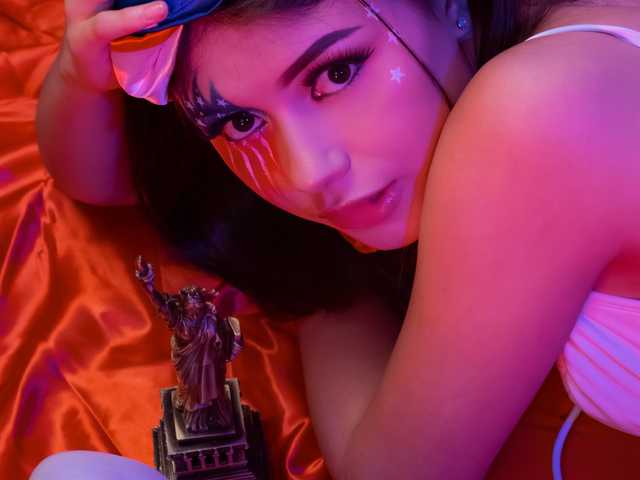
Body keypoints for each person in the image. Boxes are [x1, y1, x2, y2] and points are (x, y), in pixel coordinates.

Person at [31, 0, 640, 478]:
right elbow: (108, 179)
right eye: (239, 121)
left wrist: (319, 288)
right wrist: (80, 73)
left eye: (337, 72)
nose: (307, 173)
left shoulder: (536, 114)